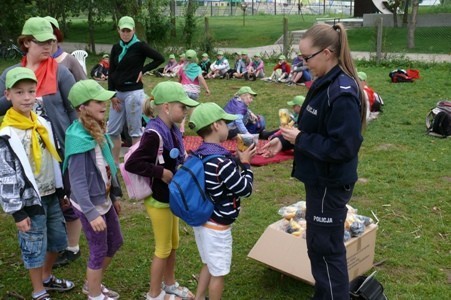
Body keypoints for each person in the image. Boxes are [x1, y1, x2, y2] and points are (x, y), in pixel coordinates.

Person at [262, 23, 367, 300]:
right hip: (318, 179)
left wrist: (300, 141)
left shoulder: (342, 92)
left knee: (327, 250)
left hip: (330, 183)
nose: (303, 63)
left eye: (306, 57)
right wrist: (284, 140)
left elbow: (344, 148)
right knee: (317, 245)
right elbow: (312, 125)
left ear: (328, 53)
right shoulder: (323, 82)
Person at [0, 16, 79, 268]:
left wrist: (76, 144)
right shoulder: (11, 74)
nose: (48, 46)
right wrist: (19, 95)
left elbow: (74, 110)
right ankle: (38, 244)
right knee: (33, 199)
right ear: (26, 42)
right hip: (24, 153)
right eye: (42, 41)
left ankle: (71, 246)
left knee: (66, 198)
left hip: (60, 150)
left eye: (52, 41)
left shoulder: (62, 72)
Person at [0, 67, 75, 300]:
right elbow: (6, 176)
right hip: (30, 202)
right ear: (8, 95)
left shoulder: (42, 123)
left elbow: (54, 157)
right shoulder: (7, 133)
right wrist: (18, 212)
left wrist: (62, 189)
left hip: (52, 194)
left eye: (31, 91)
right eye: (19, 92)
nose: (26, 97)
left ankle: (46, 276)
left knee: (58, 240)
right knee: (33, 246)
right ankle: (38, 290)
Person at [124, 82, 199, 300]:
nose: (185, 111)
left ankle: (170, 283)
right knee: (163, 248)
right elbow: (133, 164)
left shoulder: (173, 129)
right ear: (166, 107)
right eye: (182, 107)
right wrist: (162, 173)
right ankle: (154, 294)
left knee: (173, 243)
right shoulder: (154, 134)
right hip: (159, 200)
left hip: (170, 197)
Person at [188, 102, 256, 300]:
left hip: (203, 220)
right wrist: (246, 165)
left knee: (209, 264)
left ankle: (199, 297)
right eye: (226, 123)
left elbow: (216, 176)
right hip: (217, 226)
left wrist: (235, 160)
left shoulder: (200, 153)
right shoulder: (221, 162)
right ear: (216, 125)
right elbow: (246, 189)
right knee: (219, 273)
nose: (229, 127)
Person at [64, 80, 123, 300]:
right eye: (98, 102)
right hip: (89, 205)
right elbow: (77, 182)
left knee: (115, 241)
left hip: (104, 200)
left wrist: (114, 195)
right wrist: (90, 213)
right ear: (82, 107)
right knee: (98, 251)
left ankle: (92, 284)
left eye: (104, 101)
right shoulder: (78, 138)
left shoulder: (98, 129)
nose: (104, 105)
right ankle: (95, 295)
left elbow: (108, 166)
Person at [108, 16, 164, 164]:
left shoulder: (140, 46)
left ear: (133, 30)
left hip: (134, 93)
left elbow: (159, 58)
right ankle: (114, 162)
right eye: (123, 30)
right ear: (119, 30)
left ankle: (134, 162)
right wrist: (111, 93)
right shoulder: (116, 47)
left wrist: (143, 69)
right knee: (112, 129)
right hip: (118, 93)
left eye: (128, 30)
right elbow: (111, 72)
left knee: (135, 130)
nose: (125, 33)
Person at [45, 16, 87, 82]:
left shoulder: (70, 60)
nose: (47, 37)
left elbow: (85, 85)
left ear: (57, 35)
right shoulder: (35, 61)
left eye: (51, 33)